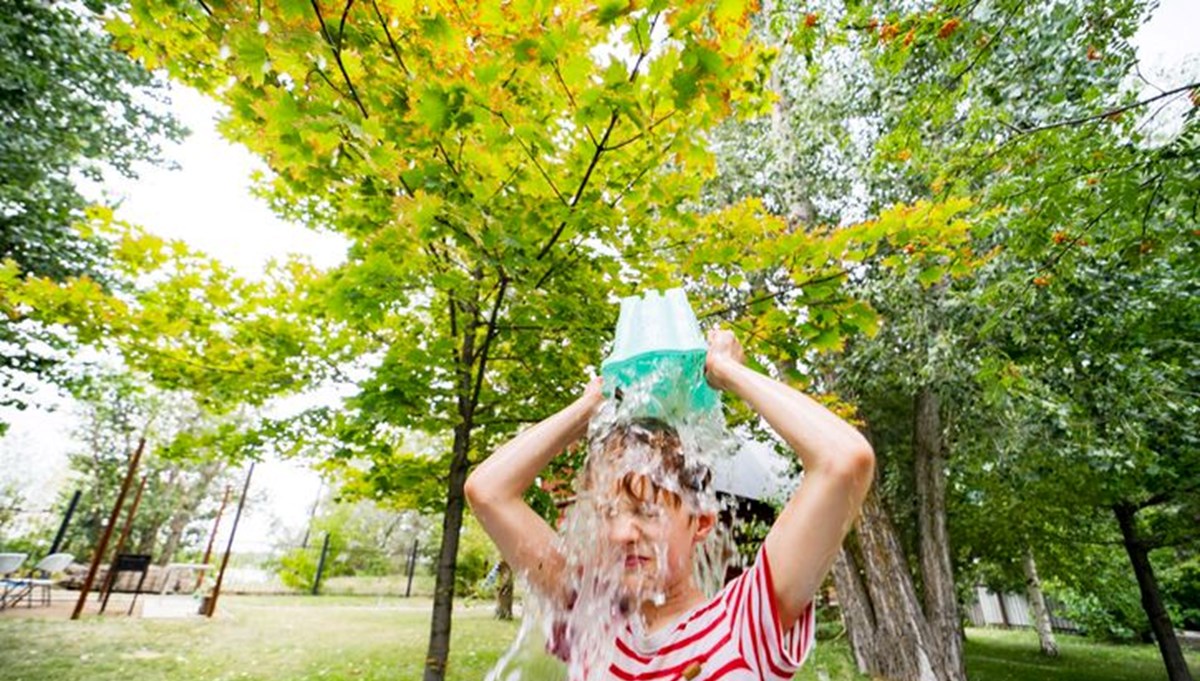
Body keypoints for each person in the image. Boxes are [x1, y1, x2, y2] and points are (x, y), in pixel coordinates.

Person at [465, 327, 875, 680]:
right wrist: (590, 405)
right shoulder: (593, 619)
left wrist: (729, 373)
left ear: (700, 521)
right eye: (608, 513)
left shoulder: (744, 625)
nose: (621, 533)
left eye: (648, 511)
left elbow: (843, 462)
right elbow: (488, 491)